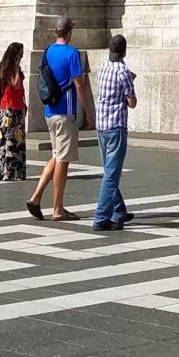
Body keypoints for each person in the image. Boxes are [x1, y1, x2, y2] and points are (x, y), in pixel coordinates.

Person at [27, 16, 92, 223]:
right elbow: (79, 85)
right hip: (65, 111)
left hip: (49, 111)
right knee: (63, 160)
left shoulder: (48, 51)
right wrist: (89, 113)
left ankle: (36, 197)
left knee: (56, 155)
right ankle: (57, 208)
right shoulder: (72, 53)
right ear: (69, 31)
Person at [93, 34, 137, 230]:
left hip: (101, 125)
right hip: (116, 125)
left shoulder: (103, 67)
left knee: (110, 170)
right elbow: (132, 102)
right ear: (124, 51)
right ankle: (101, 217)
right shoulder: (123, 71)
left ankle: (119, 210)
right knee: (111, 174)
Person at [0, 42, 26, 182]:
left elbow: (21, 88)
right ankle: (7, 172)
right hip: (8, 109)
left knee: (19, 143)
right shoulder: (5, 70)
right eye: (19, 55)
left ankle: (18, 172)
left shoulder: (17, 69)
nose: (21, 57)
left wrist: (24, 106)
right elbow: (15, 84)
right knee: (8, 142)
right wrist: (16, 66)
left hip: (19, 107)